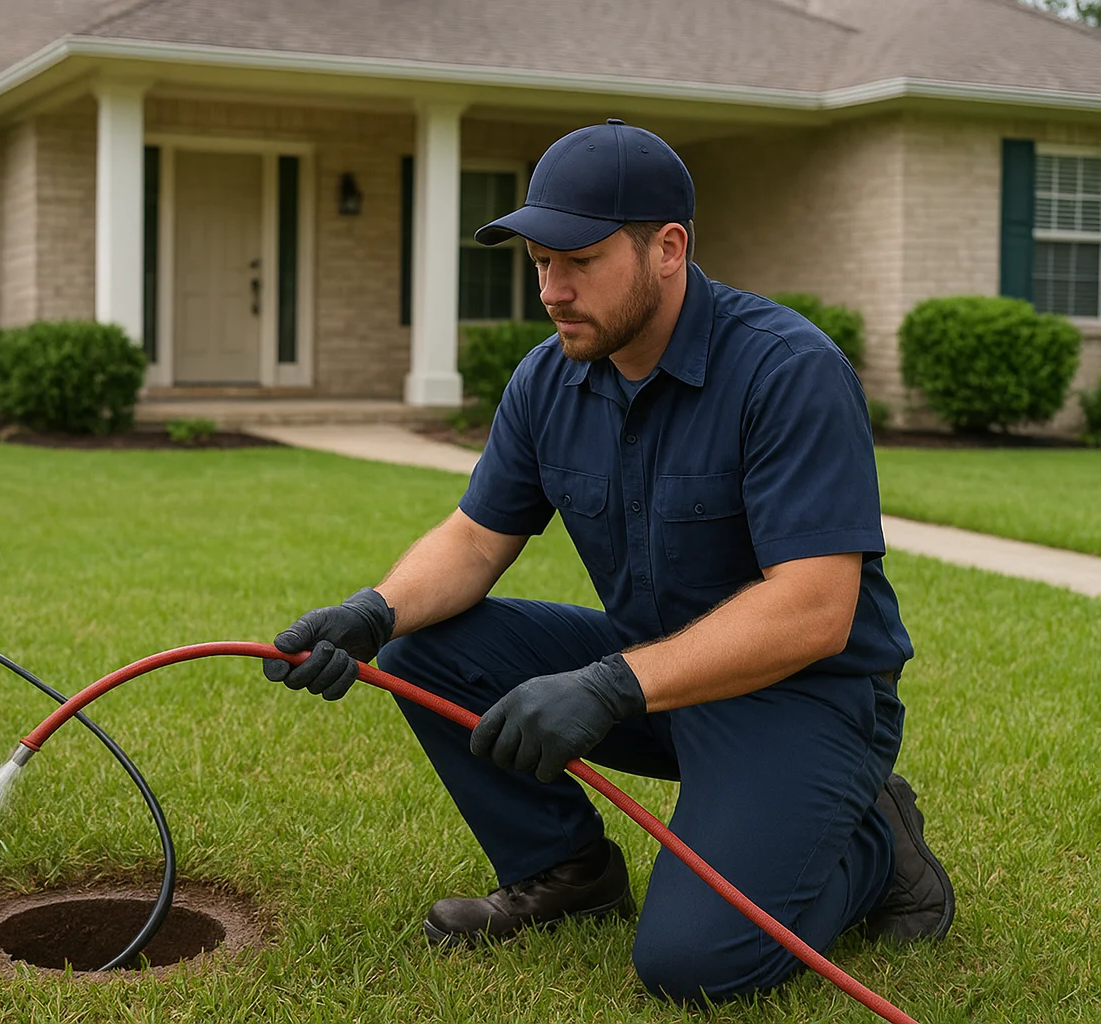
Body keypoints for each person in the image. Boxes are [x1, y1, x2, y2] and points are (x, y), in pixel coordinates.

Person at [263, 119, 954, 1004]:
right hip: (650, 675)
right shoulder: (548, 380)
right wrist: (374, 610)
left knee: (693, 967)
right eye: (540, 261)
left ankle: (873, 844)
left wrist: (606, 687)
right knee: (420, 647)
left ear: (668, 248)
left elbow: (816, 609)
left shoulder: (787, 371)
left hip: (804, 697)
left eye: (578, 261)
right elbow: (476, 540)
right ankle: (566, 872)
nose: (551, 289)